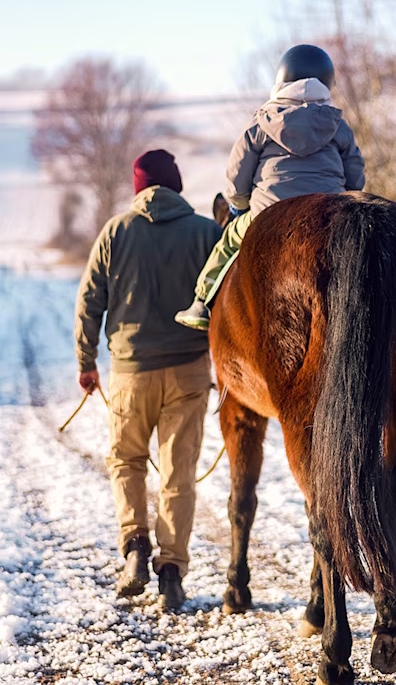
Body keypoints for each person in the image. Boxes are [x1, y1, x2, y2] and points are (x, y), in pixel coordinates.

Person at [74, 149, 222, 610]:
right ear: (175, 184)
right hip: (189, 372)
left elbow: (89, 302)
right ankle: (173, 570)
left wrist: (86, 361)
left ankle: (136, 548)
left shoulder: (115, 231)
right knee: (178, 473)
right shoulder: (206, 232)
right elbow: (227, 300)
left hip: (130, 372)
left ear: (139, 186)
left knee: (127, 462)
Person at [175, 44, 365, 330]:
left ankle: (201, 302)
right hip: (329, 212)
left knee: (229, 241)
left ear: (281, 80)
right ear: (327, 83)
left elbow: (237, 172)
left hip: (269, 212)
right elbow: (356, 177)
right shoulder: (337, 124)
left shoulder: (263, 121)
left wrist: (240, 206)